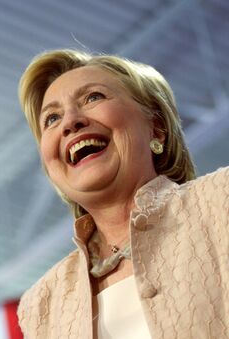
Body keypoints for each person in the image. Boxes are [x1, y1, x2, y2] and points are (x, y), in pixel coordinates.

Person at [15, 49, 229, 338]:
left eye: (93, 97)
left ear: (157, 128)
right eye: (51, 118)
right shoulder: (42, 303)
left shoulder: (221, 200)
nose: (70, 123)